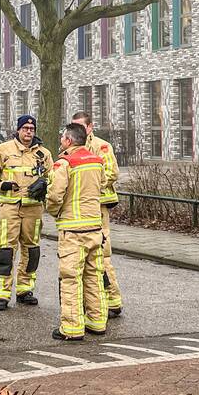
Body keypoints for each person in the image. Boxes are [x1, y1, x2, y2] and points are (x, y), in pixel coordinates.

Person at [0, 114, 53, 311]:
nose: (29, 132)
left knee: (32, 250)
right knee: (5, 250)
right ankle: (1, 294)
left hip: (33, 209)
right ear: (18, 130)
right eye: (25, 129)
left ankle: (24, 290)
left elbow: (55, 178)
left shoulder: (44, 154)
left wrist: (45, 184)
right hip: (10, 207)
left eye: (32, 129)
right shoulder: (3, 150)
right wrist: (1, 184)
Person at [45, 122, 107, 340]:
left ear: (69, 140)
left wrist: (54, 212)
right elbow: (103, 184)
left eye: (63, 138)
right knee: (94, 276)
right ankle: (97, 321)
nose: (61, 141)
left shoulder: (64, 163)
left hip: (72, 230)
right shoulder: (97, 160)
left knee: (71, 277)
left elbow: (54, 196)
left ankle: (71, 328)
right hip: (95, 227)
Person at [72, 111, 123, 317]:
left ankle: (112, 300)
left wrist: (89, 186)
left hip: (98, 208)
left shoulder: (101, 147)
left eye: (81, 126)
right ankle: (93, 301)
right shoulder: (71, 146)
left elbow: (111, 173)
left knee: (102, 255)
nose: (77, 130)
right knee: (85, 259)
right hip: (79, 209)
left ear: (90, 127)